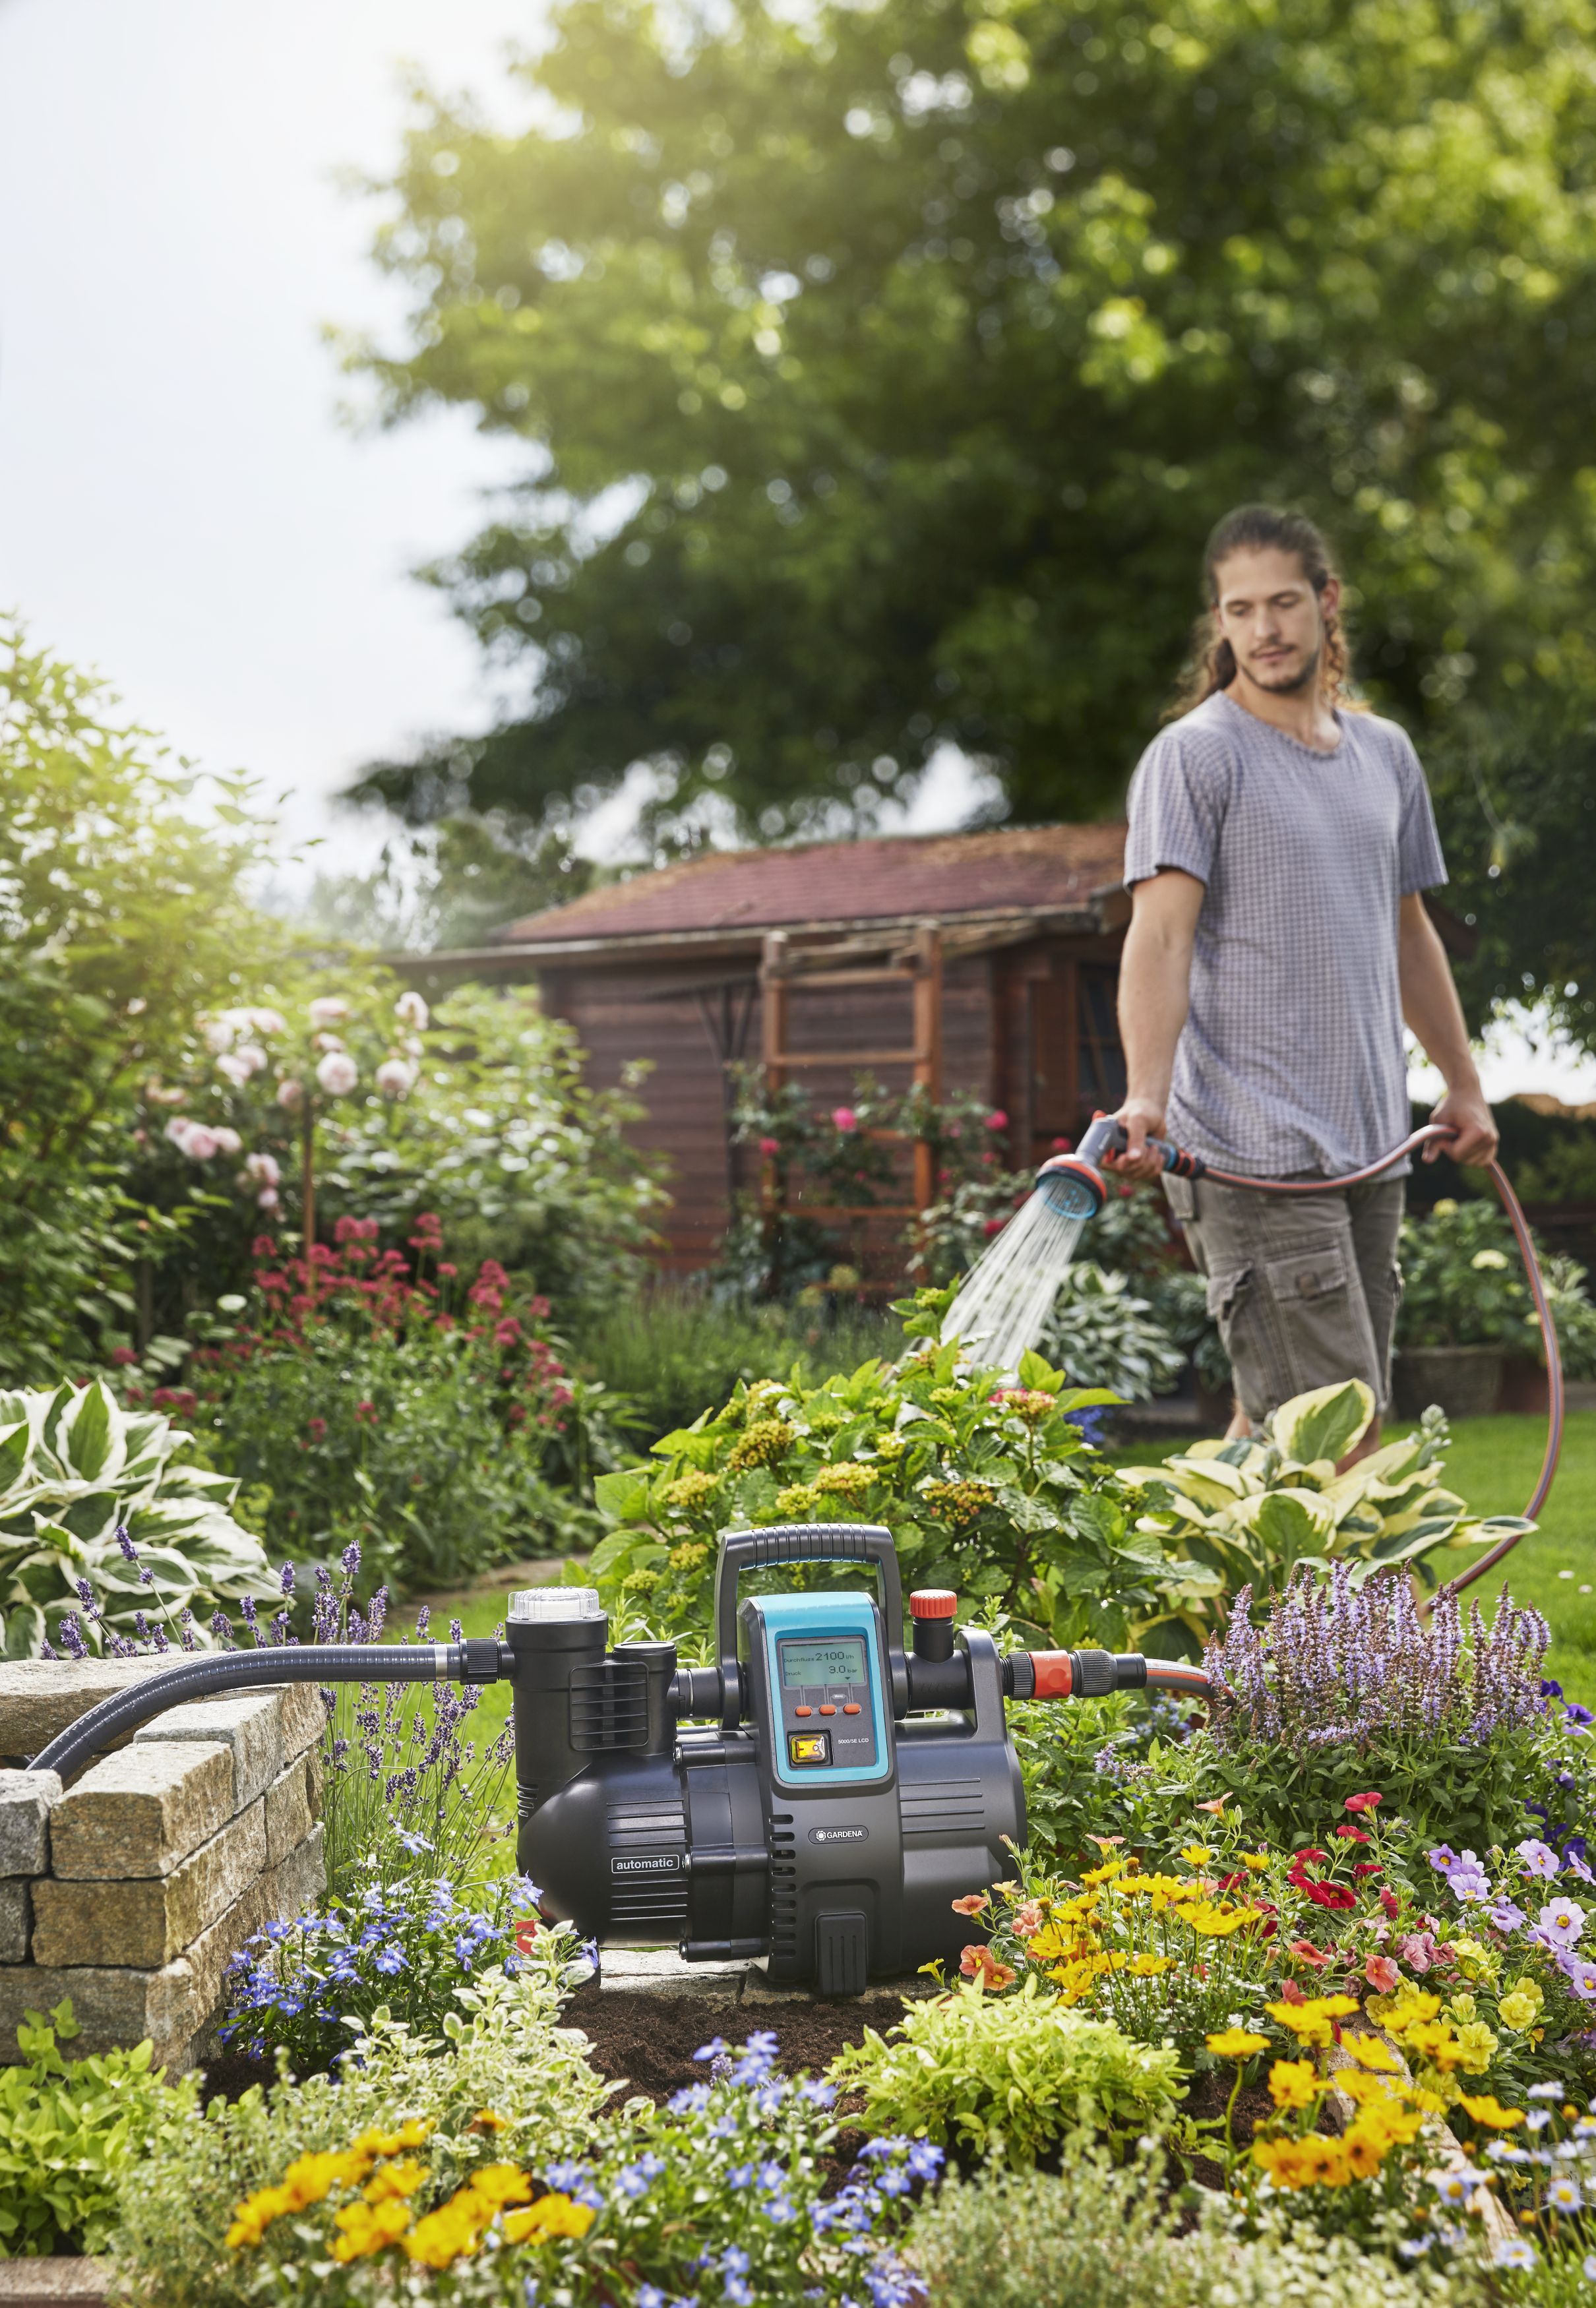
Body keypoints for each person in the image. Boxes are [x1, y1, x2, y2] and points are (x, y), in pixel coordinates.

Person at [1112, 503, 1496, 1460]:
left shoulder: (1385, 755)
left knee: (1285, 1423)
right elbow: (1158, 939)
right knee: (1342, 1446)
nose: (1264, 629)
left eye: (1283, 603)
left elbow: (1407, 933)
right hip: (1252, 1153)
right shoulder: (1196, 757)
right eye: (1239, 610)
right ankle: (1372, 1617)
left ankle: (1193, 1602)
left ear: (1327, 603)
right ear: (1220, 621)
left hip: (1371, 1148)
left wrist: (1463, 1080)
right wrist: (1145, 1098)